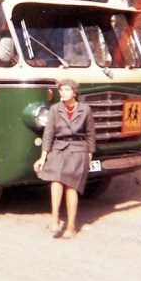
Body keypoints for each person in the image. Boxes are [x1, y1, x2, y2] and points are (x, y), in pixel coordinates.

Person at [33, 79, 95, 239]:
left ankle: (71, 226)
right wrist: (43, 157)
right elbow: (48, 135)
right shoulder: (54, 109)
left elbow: (90, 134)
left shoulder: (85, 110)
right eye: (61, 90)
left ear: (75, 92)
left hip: (77, 149)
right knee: (55, 181)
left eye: (67, 90)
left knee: (71, 186)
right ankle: (54, 220)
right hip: (59, 148)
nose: (63, 93)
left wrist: (90, 153)